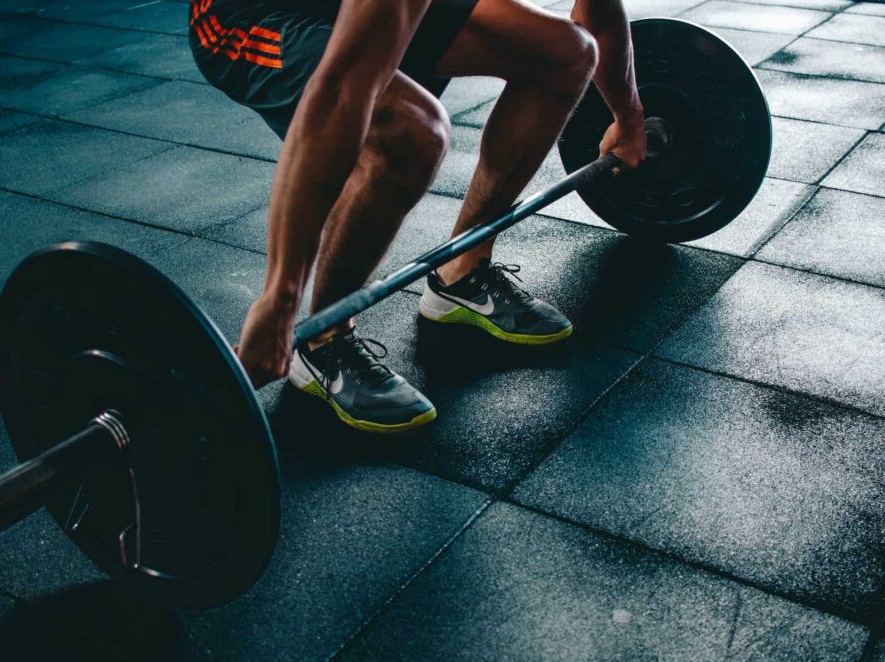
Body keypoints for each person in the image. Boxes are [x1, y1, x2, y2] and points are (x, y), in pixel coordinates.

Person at [189, 0, 646, 432]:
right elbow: (342, 89)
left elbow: (599, 15)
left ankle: (461, 272)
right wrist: (279, 298)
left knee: (566, 53)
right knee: (413, 131)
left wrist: (628, 118)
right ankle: (323, 341)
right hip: (250, 14)